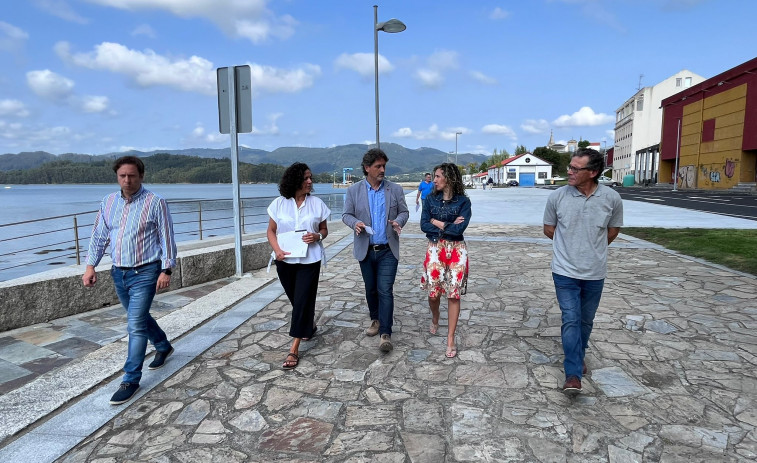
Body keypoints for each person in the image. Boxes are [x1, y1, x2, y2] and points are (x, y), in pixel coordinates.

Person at [82, 156, 177, 405]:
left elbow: (167, 238)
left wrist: (166, 270)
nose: (127, 180)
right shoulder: (108, 202)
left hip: (146, 272)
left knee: (134, 325)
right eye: (122, 176)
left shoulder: (155, 202)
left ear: (141, 176)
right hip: (119, 272)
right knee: (140, 318)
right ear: (117, 176)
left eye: (132, 175)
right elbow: (99, 237)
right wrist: (90, 266)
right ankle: (163, 345)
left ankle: (130, 379)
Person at [543, 148, 623, 395]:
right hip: (564, 271)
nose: (569, 171)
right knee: (571, 319)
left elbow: (612, 231)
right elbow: (548, 229)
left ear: (593, 172)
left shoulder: (611, 199)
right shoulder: (557, 197)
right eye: (570, 166)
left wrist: (590, 248)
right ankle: (573, 374)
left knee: (586, 321)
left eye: (576, 169)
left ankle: (577, 355)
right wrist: (570, 246)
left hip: (595, 272)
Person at [342, 148, 409, 352]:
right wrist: (355, 223)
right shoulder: (354, 191)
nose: (382, 170)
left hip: (388, 249)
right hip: (366, 249)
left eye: (384, 166)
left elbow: (404, 212)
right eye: (378, 166)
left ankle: (385, 333)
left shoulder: (395, 189)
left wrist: (398, 222)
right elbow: (346, 215)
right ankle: (375, 319)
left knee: (385, 290)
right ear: (367, 168)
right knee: (371, 289)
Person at [267, 162, 330, 370]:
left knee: (303, 299)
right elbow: (271, 231)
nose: (310, 181)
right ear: (295, 180)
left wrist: (317, 236)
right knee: (297, 300)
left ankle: (294, 348)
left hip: (310, 259)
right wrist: (277, 250)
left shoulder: (317, 204)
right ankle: (308, 324)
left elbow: (324, 230)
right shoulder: (278, 203)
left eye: (311, 177)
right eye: (306, 178)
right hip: (284, 260)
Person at [420, 163, 472, 358]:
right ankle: (435, 316)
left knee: (453, 294)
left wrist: (436, 222)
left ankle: (450, 338)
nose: (434, 180)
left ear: (449, 178)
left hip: (457, 249)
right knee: (434, 294)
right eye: (434, 176)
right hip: (435, 247)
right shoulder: (430, 199)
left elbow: (459, 230)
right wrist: (443, 223)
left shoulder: (463, 203)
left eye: (438, 176)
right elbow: (424, 225)